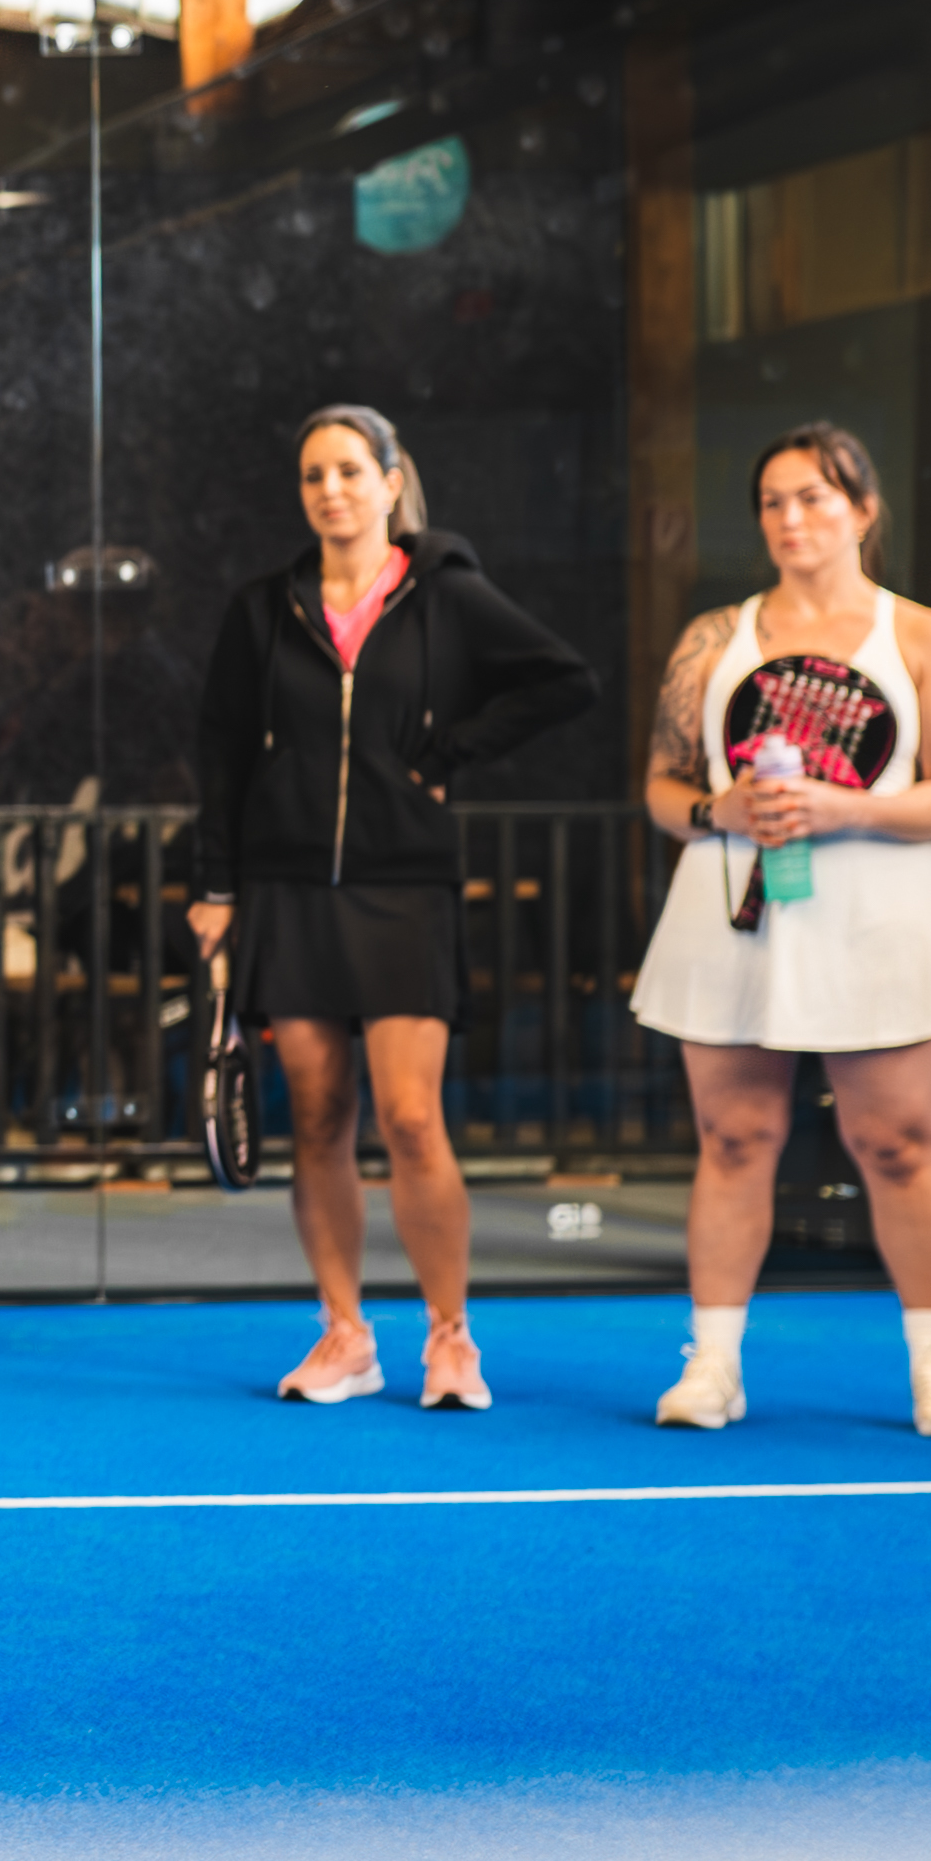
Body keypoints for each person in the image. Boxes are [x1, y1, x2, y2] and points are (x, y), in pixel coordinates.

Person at [186, 405, 592, 1412]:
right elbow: (220, 754)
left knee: (410, 1117)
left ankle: (449, 1340)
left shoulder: (445, 593)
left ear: (389, 478)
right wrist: (213, 886)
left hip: (402, 884)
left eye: (348, 472)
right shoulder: (260, 608)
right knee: (318, 1116)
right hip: (285, 889)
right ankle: (343, 1335)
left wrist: (447, 753)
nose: (329, 491)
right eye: (312, 475)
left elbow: (562, 681)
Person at [628, 425, 931, 1435]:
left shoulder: (923, 637)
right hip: (730, 906)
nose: (791, 519)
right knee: (733, 1137)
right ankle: (709, 1366)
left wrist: (845, 810)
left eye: (814, 498)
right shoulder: (711, 639)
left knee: (894, 1141)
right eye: (772, 502)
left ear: (863, 510)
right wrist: (720, 811)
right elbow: (661, 790)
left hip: (879, 912)